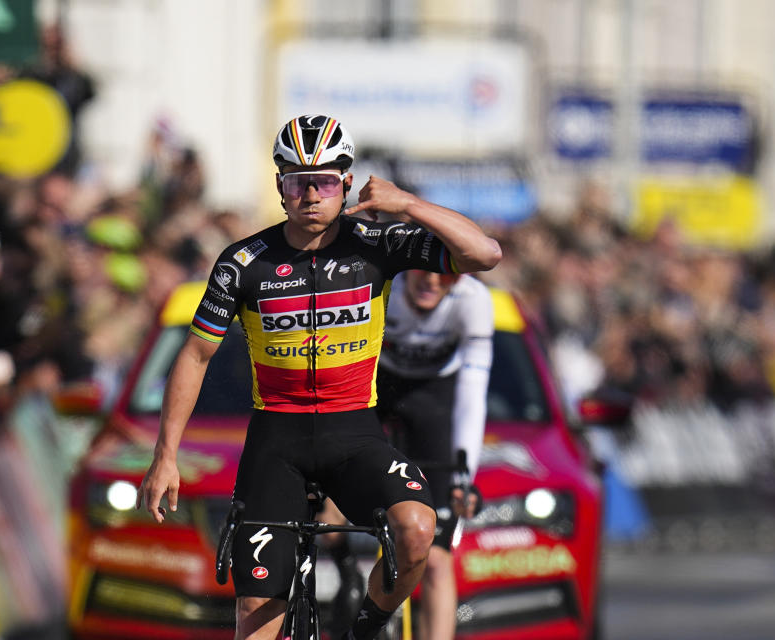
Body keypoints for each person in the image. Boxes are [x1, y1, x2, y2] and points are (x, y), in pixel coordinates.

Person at [136, 114, 501, 640]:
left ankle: (363, 630)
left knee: (419, 530)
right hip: (275, 442)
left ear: (346, 184)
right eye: (297, 181)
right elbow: (194, 356)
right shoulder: (242, 263)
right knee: (256, 619)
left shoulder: (377, 243)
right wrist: (165, 455)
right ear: (280, 187)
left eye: (325, 181)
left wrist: (409, 206)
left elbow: (485, 253)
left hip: (353, 434)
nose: (311, 194)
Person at [376, 269, 493, 639]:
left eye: (446, 277)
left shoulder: (474, 299)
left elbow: (472, 396)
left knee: (438, 559)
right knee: (328, 507)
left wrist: (464, 478)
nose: (431, 282)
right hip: (376, 388)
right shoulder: (384, 286)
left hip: (436, 399)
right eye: (422, 273)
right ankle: (346, 567)